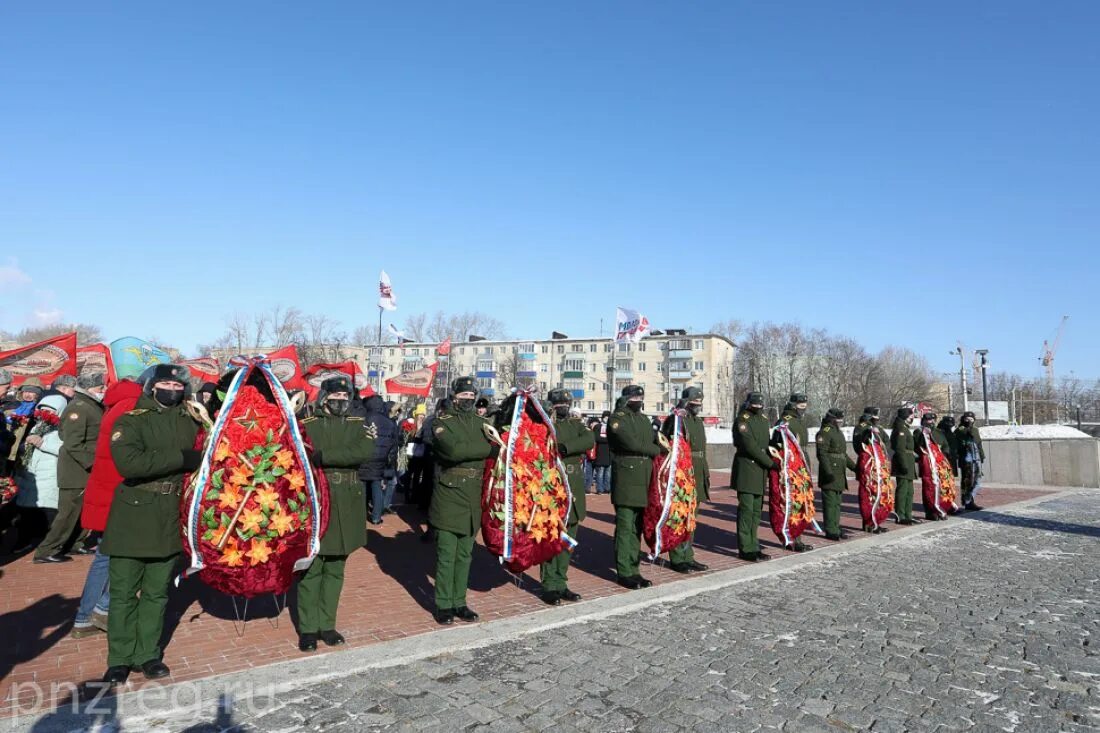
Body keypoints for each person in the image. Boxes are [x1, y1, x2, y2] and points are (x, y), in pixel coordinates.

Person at [99, 364, 199, 686]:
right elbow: (131, 464)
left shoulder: (191, 422)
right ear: (152, 386)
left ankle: (148, 655)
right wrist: (182, 459)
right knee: (124, 592)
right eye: (165, 382)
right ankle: (119, 659)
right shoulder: (130, 420)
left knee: (157, 593)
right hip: (134, 512)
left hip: (171, 513)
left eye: (177, 384)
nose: (172, 388)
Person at [298, 377, 377, 652]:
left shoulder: (359, 424)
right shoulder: (308, 425)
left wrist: (325, 455)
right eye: (336, 395)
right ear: (324, 397)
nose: (341, 399)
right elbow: (303, 454)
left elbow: (363, 452)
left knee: (336, 569)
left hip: (348, 503)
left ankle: (327, 625)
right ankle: (308, 629)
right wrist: (326, 456)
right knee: (312, 567)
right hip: (320, 500)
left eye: (345, 394)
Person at [70, 378, 143, 639]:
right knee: (135, 555)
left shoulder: (114, 406)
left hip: (105, 493)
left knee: (104, 557)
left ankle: (84, 617)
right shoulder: (132, 406)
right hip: (120, 495)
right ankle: (103, 607)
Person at [429, 377, 493, 624]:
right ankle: (443, 604)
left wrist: (476, 446)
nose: (467, 398)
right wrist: (486, 449)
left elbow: (473, 447)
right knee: (447, 553)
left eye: (471, 395)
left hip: (473, 495)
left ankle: (459, 602)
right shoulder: (441, 422)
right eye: (463, 394)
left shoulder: (482, 423)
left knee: (465, 554)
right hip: (449, 493)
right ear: (454, 395)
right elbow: (453, 451)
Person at [34, 373, 106, 562]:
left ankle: (75, 543)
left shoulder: (90, 406)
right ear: (89, 388)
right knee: (68, 512)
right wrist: (92, 463)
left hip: (84, 468)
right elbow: (72, 442)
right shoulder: (80, 407)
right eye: (100, 388)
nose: (103, 391)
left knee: (82, 510)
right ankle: (47, 550)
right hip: (76, 469)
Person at [539, 389, 594, 605]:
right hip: (554, 486)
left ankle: (561, 582)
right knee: (552, 536)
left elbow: (588, 439)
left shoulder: (575, 424)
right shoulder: (545, 425)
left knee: (568, 538)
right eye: (558, 403)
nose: (562, 406)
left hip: (574, 486)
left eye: (565, 403)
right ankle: (549, 585)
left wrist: (566, 447)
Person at [607, 385, 661, 589]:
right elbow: (631, 443)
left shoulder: (643, 419)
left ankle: (634, 568)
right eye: (636, 397)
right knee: (625, 525)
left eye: (641, 396)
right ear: (627, 398)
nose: (639, 399)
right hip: (627, 475)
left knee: (637, 526)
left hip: (644, 474)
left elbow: (651, 439)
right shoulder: (618, 418)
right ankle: (624, 571)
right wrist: (656, 449)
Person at [661, 386, 709, 573]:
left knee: (692, 518)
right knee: (679, 515)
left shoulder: (697, 421)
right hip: (682, 472)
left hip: (697, 470)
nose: (697, 406)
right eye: (694, 403)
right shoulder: (676, 419)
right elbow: (666, 441)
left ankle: (688, 555)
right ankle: (678, 557)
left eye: (699, 403)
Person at [15, 393, 69, 559]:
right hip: (32, 476)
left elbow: (65, 449)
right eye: (42, 410)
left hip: (49, 477)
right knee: (27, 514)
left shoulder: (63, 429)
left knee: (49, 514)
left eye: (49, 411)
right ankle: (23, 543)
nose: (44, 414)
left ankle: (49, 549)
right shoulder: (37, 426)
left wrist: (43, 444)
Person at [732, 392, 778, 562]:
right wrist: (770, 463)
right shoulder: (742, 419)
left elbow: (767, 444)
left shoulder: (763, 420)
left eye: (760, 404)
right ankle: (745, 548)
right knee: (746, 510)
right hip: (747, 469)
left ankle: (754, 545)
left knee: (757, 512)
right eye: (755, 404)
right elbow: (749, 445)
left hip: (760, 471)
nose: (758, 406)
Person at [773, 393, 813, 552]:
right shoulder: (785, 421)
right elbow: (778, 444)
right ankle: (790, 539)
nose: (803, 409)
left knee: (801, 502)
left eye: (804, 406)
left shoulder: (798, 421)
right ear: (792, 405)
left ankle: (798, 538)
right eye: (800, 406)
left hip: (801, 465)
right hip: (790, 467)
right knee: (791, 503)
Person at [816, 408, 856, 540]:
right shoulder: (825, 432)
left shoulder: (838, 432)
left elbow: (842, 454)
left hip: (839, 473)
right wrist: (828, 472)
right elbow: (822, 454)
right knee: (830, 503)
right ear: (831, 419)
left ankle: (836, 527)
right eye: (837, 419)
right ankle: (830, 529)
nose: (840, 422)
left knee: (837, 503)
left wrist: (855, 468)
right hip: (831, 472)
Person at [360, 394, 398, 525]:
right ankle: (376, 517)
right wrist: (389, 461)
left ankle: (361, 514)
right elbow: (394, 445)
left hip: (364, 457)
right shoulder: (389, 421)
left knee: (363, 487)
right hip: (380, 458)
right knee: (377, 485)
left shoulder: (362, 419)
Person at [890, 407, 918, 525]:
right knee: (902, 490)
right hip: (904, 462)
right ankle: (900, 515)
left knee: (909, 491)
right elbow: (900, 449)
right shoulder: (900, 429)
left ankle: (908, 514)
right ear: (905, 416)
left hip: (909, 461)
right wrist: (903, 464)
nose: (912, 417)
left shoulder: (905, 428)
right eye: (910, 415)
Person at [955, 411, 985, 511]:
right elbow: (967, 434)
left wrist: (982, 456)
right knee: (968, 480)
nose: (969, 421)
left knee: (977, 480)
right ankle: (968, 502)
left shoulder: (975, 429)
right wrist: (968, 425)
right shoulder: (960, 429)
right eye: (967, 419)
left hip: (976, 457)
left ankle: (969, 498)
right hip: (966, 458)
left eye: (971, 419)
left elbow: (979, 443)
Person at [591, 411, 612, 495]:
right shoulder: (598, 427)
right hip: (600, 453)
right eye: (605, 417)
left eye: (608, 417)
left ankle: (607, 488)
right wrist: (607, 440)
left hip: (609, 453)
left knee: (608, 474)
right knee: (600, 473)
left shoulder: (611, 427)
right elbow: (596, 438)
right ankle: (599, 488)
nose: (607, 419)